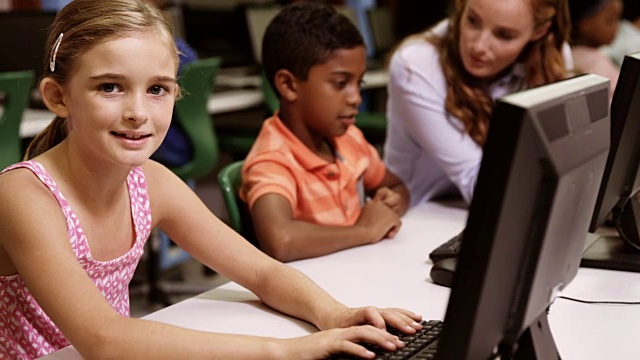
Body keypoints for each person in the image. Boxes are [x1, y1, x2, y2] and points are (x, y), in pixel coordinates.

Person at [0, 0, 423, 359]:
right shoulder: (23, 195)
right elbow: (103, 339)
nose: (138, 112)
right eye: (110, 87)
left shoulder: (151, 182)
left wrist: (333, 314)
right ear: (58, 97)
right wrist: (284, 349)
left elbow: (261, 272)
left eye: (158, 89)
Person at [240, 2, 410, 263]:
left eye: (359, 82)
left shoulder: (349, 138)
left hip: (358, 271)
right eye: (340, 83)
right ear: (288, 85)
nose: (356, 98)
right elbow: (280, 240)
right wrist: (363, 230)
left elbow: (396, 185)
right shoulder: (273, 159)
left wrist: (390, 202)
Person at [384, 0, 574, 206]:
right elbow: (482, 186)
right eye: (473, 21)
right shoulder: (416, 66)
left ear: (539, 31)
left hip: (481, 212)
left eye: (504, 35)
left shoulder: (549, 60)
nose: (479, 46)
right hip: (418, 216)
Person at [147, 0, 197, 168]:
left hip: (173, 144)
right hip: (186, 140)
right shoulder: (185, 49)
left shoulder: (167, 48)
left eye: (155, 89)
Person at [569, 0, 622, 98]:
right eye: (609, 20)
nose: (617, 27)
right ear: (585, 24)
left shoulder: (574, 55)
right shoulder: (594, 64)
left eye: (618, 19)